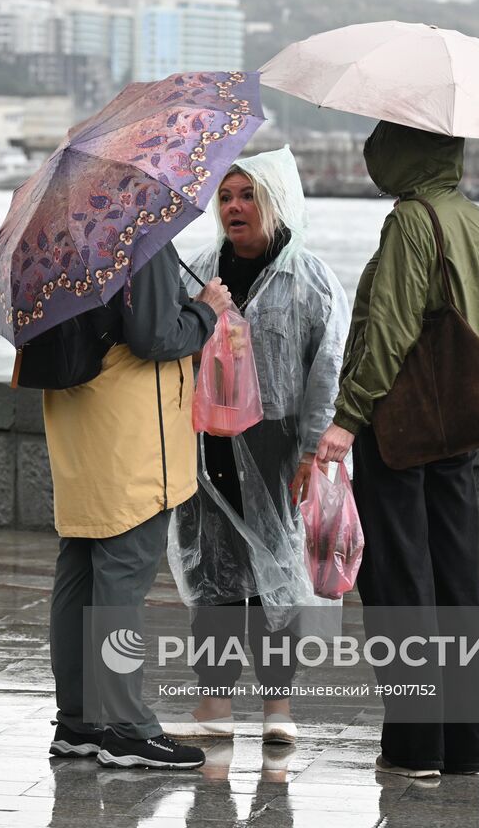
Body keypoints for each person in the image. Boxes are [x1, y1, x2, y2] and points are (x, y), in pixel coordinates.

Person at [0, 243, 229, 768]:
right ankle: (126, 728)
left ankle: (79, 723)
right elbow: (157, 337)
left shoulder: (51, 234)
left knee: (80, 567)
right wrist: (206, 310)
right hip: (131, 423)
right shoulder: (138, 232)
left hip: (75, 416)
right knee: (123, 572)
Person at [313, 120, 479, 779]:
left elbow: (389, 328)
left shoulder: (409, 222)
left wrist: (347, 418)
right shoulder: (473, 218)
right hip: (456, 422)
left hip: (399, 425)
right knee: (456, 582)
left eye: (383, 143)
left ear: (406, 152)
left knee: (399, 584)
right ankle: (463, 746)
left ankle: (415, 746)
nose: (372, 155)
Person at [164, 147, 351, 745]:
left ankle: (279, 709)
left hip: (277, 449)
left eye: (247, 196)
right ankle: (214, 706)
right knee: (214, 579)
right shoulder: (197, 272)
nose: (234, 208)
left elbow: (329, 367)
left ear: (274, 202)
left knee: (279, 571)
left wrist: (311, 449)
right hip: (211, 446)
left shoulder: (310, 279)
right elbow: (174, 350)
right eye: (225, 197)